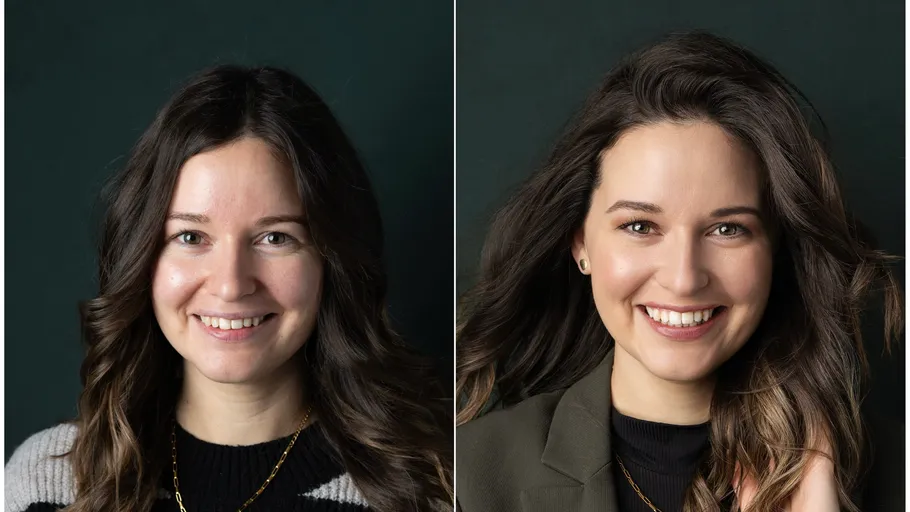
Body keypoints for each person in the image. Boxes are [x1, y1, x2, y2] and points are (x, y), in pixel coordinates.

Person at [455, 31, 902, 512]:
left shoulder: (895, 474)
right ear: (581, 243)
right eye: (641, 225)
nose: (684, 278)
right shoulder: (471, 474)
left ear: (775, 248)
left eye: (728, 229)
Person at [6, 65, 453, 512]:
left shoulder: (433, 488)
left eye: (275, 237)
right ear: (141, 257)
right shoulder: (45, 484)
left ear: (332, 259)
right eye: (190, 238)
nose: (231, 285)